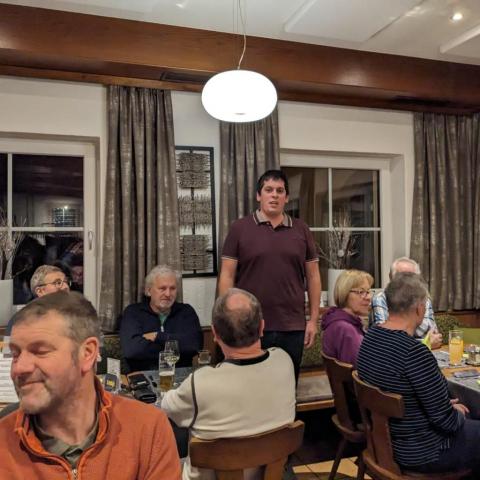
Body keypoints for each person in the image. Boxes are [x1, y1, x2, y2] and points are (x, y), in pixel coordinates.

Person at [0, 290, 181, 479]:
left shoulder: (147, 429)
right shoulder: (4, 444)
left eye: (40, 351)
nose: (19, 368)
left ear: (87, 354)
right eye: (15, 355)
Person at [162, 288, 296, 480]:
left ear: (215, 334)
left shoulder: (200, 383)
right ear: (262, 327)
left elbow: (167, 408)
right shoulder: (284, 361)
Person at [358, 273, 480, 475]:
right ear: (419, 308)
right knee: (468, 413)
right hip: (423, 451)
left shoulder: (371, 338)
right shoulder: (415, 353)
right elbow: (447, 422)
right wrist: (455, 413)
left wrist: (443, 407)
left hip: (384, 443)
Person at [218, 169, 321, 379]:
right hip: (248, 325)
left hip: (292, 326)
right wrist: (226, 319)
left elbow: (313, 277)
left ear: (287, 197)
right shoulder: (239, 228)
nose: (274, 195)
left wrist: (313, 320)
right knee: (248, 387)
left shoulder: (301, 229)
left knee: (287, 387)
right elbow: (227, 276)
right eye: (269, 190)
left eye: (280, 191)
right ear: (259, 195)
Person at [120, 265, 203, 372]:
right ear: (149, 290)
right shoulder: (133, 313)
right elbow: (132, 351)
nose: (168, 294)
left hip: (181, 375)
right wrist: (177, 347)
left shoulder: (186, 312)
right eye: (162, 288)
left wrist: (157, 336)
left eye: (172, 288)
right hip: (144, 376)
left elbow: (195, 346)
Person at [371, 256, 442, 349]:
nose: (407, 283)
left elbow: (433, 334)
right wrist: (425, 343)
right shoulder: (380, 298)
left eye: (411, 278)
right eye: (401, 278)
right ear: (391, 278)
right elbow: (387, 339)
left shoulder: (423, 298)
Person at [322, 269, 373, 366]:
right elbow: (361, 368)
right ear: (344, 294)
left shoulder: (338, 321)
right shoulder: (345, 329)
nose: (368, 297)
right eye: (361, 292)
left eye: (368, 291)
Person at [6, 264, 71, 335]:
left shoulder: (74, 314)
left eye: (66, 282)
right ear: (40, 291)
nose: (66, 287)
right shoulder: (22, 320)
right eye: (58, 283)